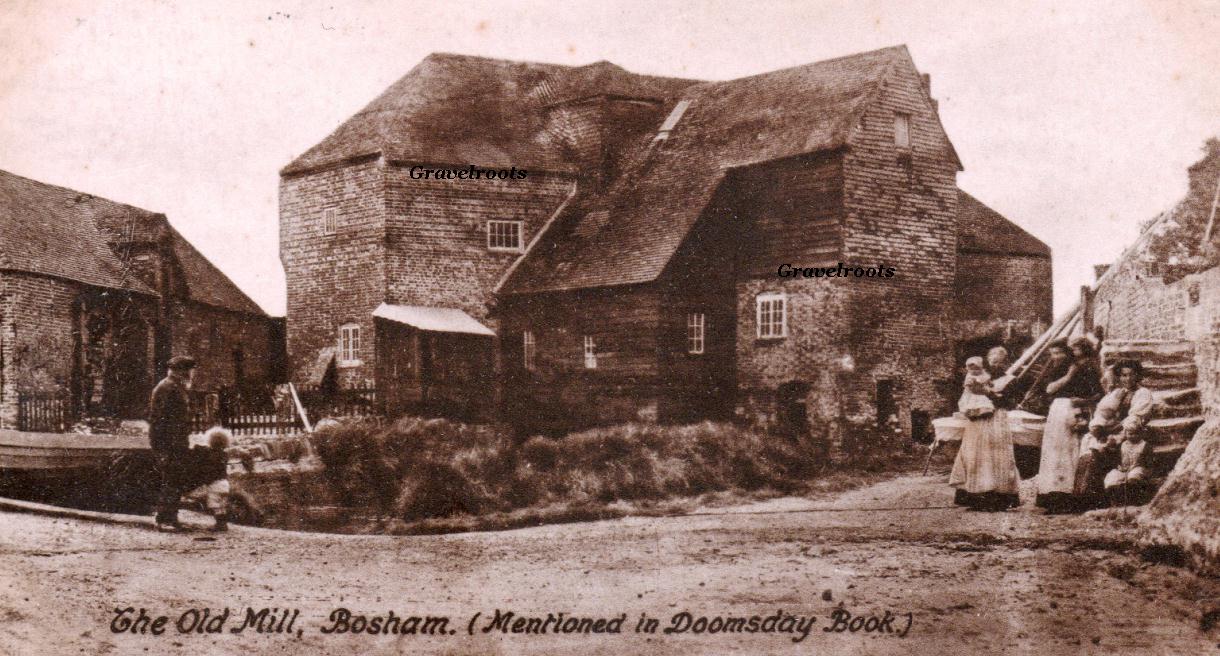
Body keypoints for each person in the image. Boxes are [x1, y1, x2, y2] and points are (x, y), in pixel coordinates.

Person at [1034, 337, 1103, 512]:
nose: (1056, 357)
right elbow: (1049, 389)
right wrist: (1069, 375)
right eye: (1053, 354)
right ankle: (1052, 494)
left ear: (1068, 353)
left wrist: (1084, 400)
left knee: (1071, 450)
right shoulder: (1060, 369)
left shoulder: (1085, 368)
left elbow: (1098, 393)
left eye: (1059, 353)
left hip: (1074, 410)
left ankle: (1070, 496)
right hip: (1058, 409)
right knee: (1055, 451)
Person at [1072, 360, 1153, 509]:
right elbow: (1102, 412)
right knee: (1089, 446)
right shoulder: (1117, 392)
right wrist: (1097, 426)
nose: (1127, 379)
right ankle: (1084, 497)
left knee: (1101, 451)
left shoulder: (1143, 394)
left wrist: (1112, 431)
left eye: (1131, 375)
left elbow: (1135, 419)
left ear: (1138, 376)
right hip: (1111, 431)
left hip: (1130, 433)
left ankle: (1097, 500)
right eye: (1123, 375)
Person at [949, 350, 1020, 511]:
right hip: (977, 421)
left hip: (997, 419)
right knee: (975, 454)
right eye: (992, 362)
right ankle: (975, 497)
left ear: (1006, 363)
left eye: (999, 362)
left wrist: (988, 393)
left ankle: (998, 498)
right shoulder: (978, 376)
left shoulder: (1010, 380)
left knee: (997, 457)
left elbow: (1009, 403)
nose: (995, 365)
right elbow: (966, 396)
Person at [149, 355, 196, 532]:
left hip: (177, 442)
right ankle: (164, 520)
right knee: (170, 480)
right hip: (168, 443)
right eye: (190, 370)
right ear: (182, 371)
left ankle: (171, 517)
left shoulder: (177, 387)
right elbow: (158, 420)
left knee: (175, 480)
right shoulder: (167, 388)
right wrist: (160, 448)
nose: (192, 374)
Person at [182, 427, 232, 531]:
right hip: (224, 483)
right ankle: (223, 523)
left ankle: (221, 525)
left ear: (210, 441)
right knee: (221, 504)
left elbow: (202, 451)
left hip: (215, 485)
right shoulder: (224, 454)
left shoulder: (210, 453)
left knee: (214, 505)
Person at [1104, 426, 1153, 506]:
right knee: (1111, 478)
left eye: (1136, 434)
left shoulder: (1145, 445)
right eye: (1130, 434)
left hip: (1139, 467)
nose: (1133, 436)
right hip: (1123, 469)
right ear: (1126, 434)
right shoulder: (1122, 444)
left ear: (1141, 434)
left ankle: (1133, 501)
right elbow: (1116, 458)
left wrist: (1141, 466)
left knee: (1133, 478)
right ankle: (1117, 502)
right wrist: (1119, 466)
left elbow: (1148, 461)